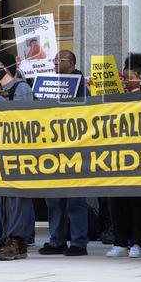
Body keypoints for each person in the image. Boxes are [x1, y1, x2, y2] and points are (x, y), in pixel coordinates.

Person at [0, 53, 35, 260]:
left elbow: (24, 117)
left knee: (17, 198)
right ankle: (10, 238)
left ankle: (17, 239)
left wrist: (4, 102)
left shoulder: (21, 88)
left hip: (17, 151)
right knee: (4, 199)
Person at [40, 50, 90, 257]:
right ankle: (56, 239)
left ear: (72, 63)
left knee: (75, 199)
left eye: (60, 60)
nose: (56, 63)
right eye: (55, 60)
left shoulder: (81, 84)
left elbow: (88, 111)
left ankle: (78, 242)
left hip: (75, 148)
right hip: (53, 148)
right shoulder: (49, 83)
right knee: (53, 199)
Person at [105, 53, 141, 259]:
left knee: (137, 201)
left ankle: (138, 241)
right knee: (117, 200)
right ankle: (120, 241)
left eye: (131, 75)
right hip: (116, 153)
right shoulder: (114, 93)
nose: (127, 79)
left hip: (140, 154)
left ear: (140, 76)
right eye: (124, 76)